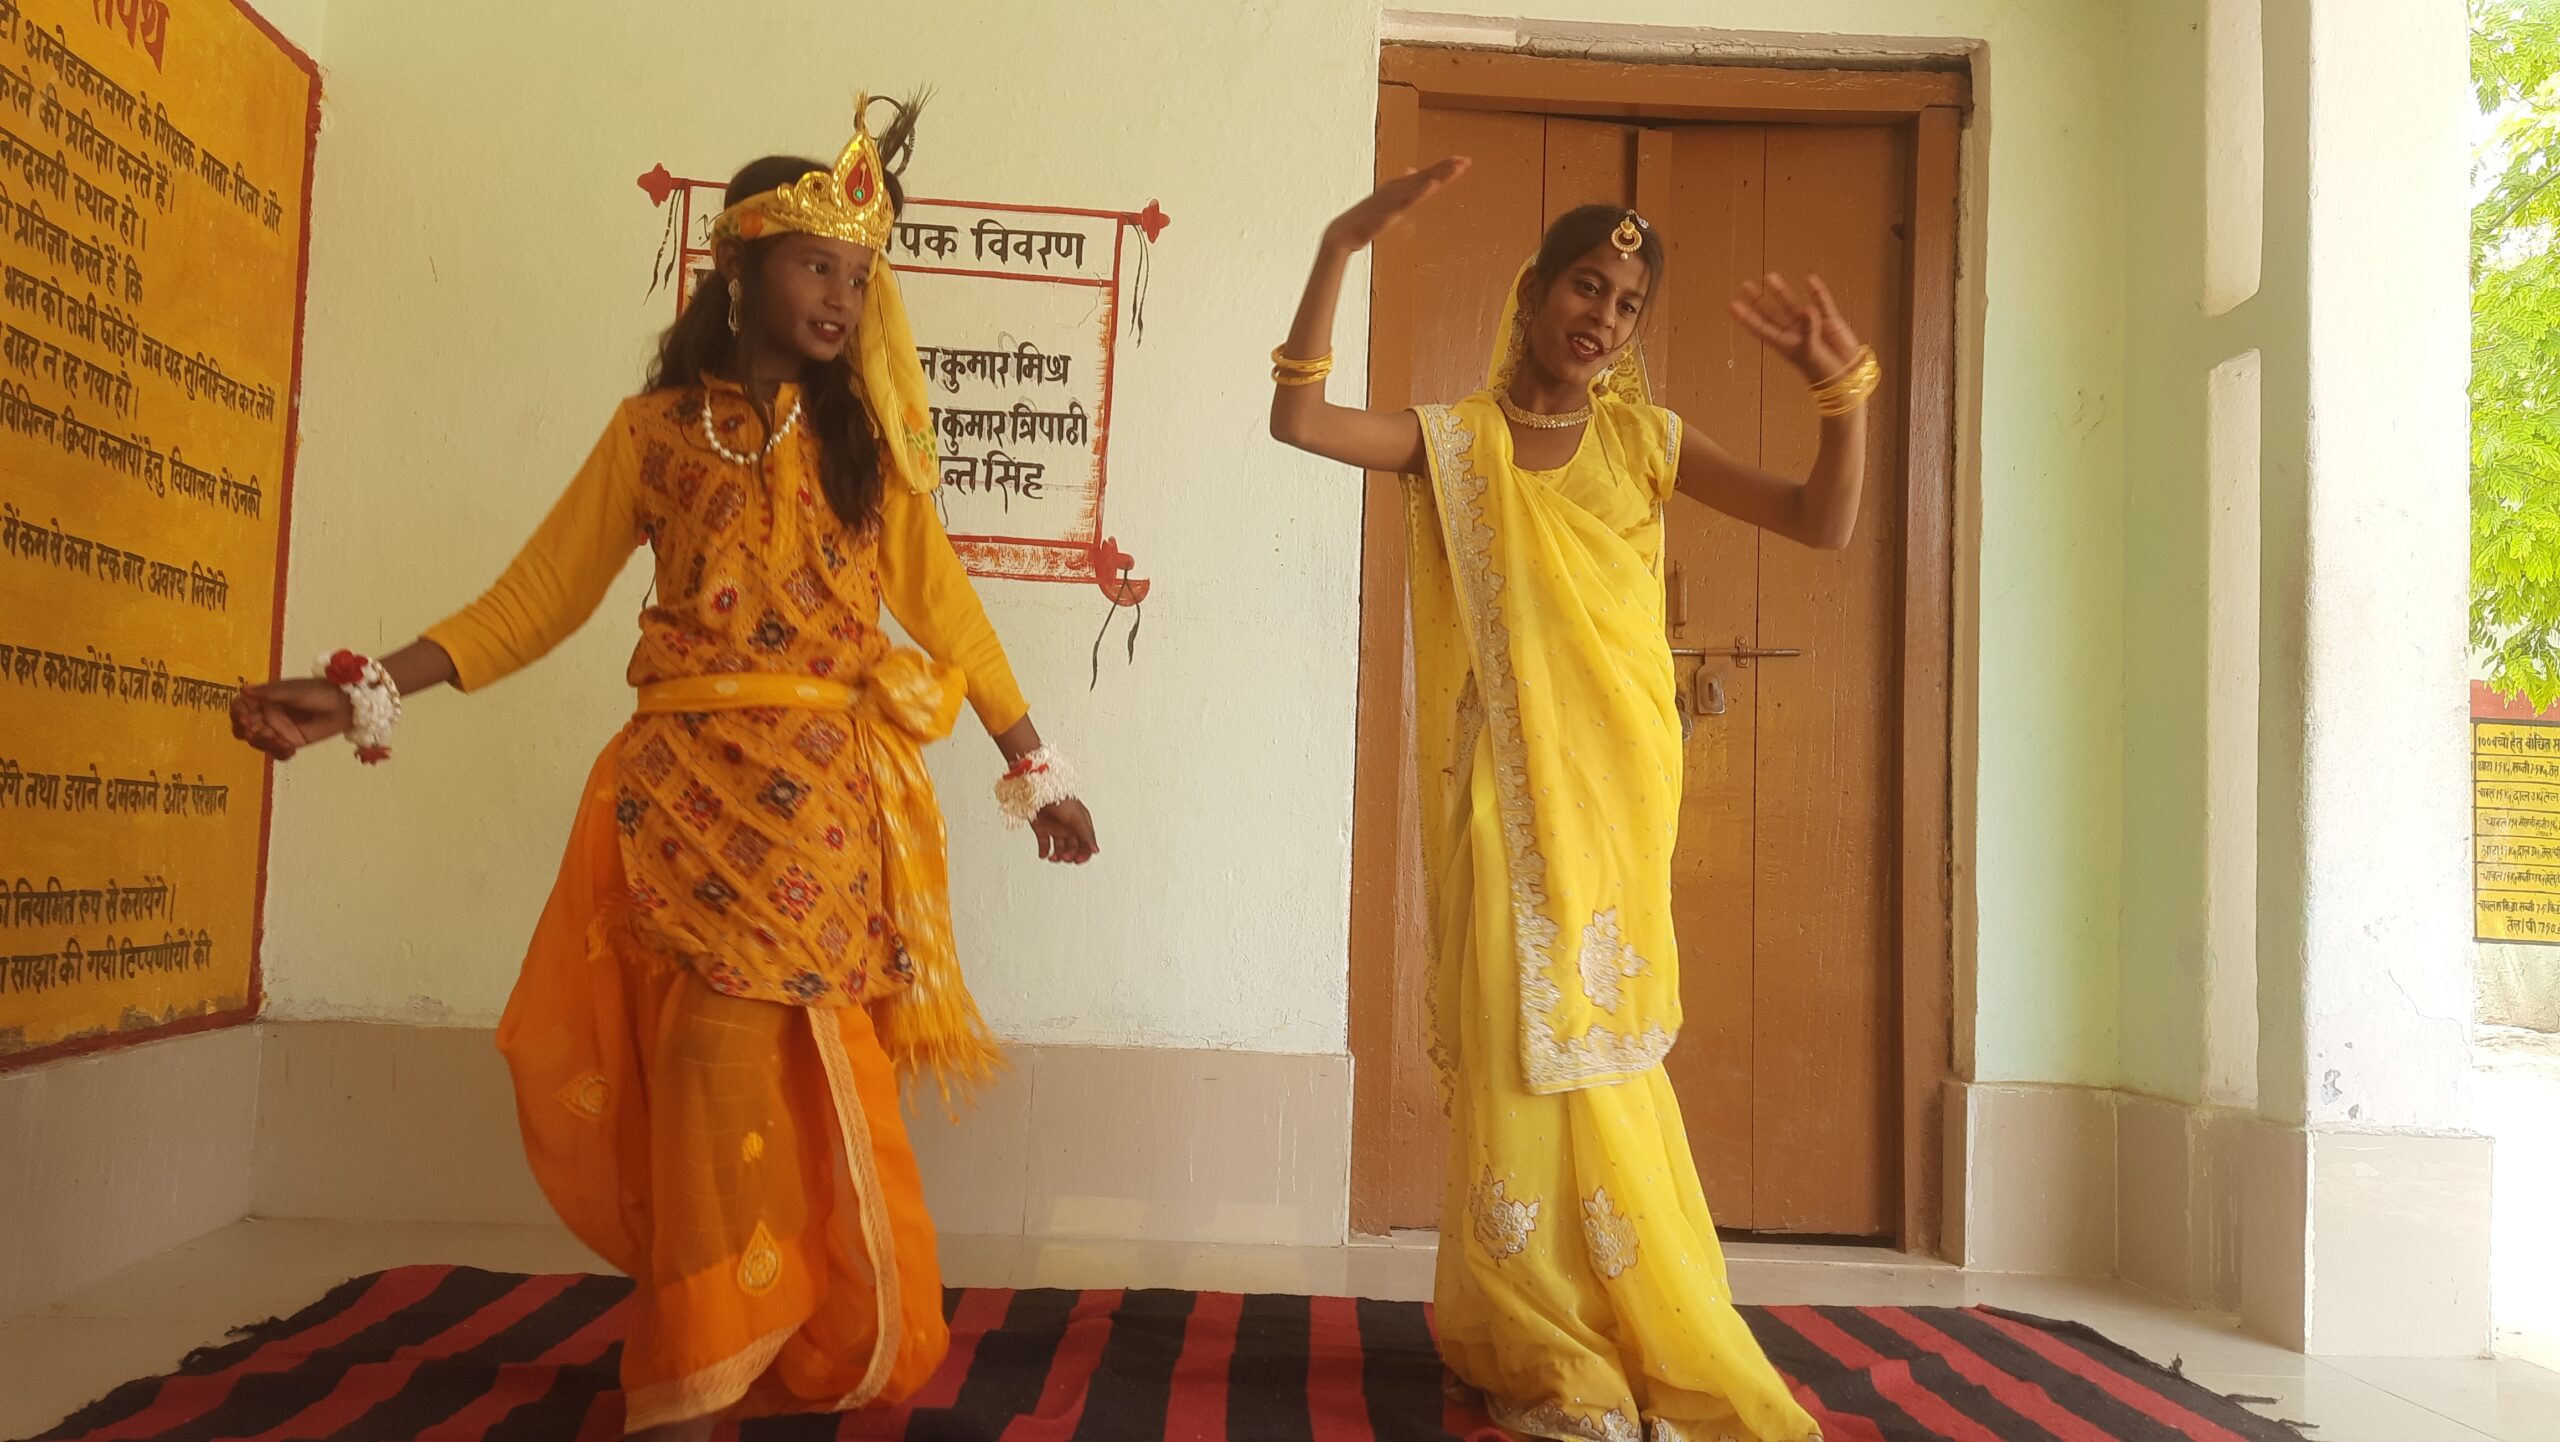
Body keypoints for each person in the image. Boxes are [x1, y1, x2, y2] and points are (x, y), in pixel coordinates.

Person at [228, 96, 1099, 1440]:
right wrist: (369, 689)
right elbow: (537, 599)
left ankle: (740, 1345)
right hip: (677, 793)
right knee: (696, 1063)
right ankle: (710, 1351)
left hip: (820, 799)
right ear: (738, 270)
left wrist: (1034, 766)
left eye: (861, 275)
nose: (843, 294)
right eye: (817, 264)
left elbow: (952, 612)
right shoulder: (654, 437)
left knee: (745, 1060)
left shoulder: (871, 452)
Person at [1269, 158, 1875, 1442]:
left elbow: (1821, 522)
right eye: (1586, 286)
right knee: (1511, 1050)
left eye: (1629, 303)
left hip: (1614, 796)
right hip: (1502, 796)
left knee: (1606, 1054)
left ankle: (1640, 1327)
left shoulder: (1647, 443)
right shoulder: (1458, 444)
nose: (1604, 314)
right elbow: (1305, 422)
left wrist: (1844, 391)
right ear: (1534, 293)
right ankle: (1550, 1347)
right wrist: (1337, 246)